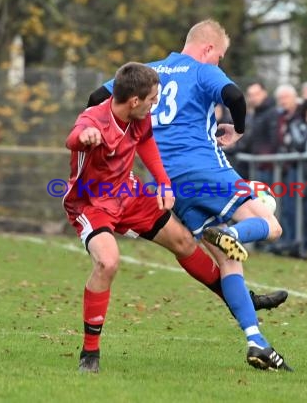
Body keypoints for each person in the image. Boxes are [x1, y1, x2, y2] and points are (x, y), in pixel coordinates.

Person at [87, 20, 292, 371]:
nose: (220, 65)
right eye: (221, 57)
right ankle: (232, 234)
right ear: (208, 48)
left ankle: (256, 341)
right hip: (205, 170)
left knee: (229, 262)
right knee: (270, 225)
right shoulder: (200, 70)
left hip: (169, 183)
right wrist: (238, 130)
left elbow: (97, 98)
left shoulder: (147, 71)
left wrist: (101, 130)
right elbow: (235, 97)